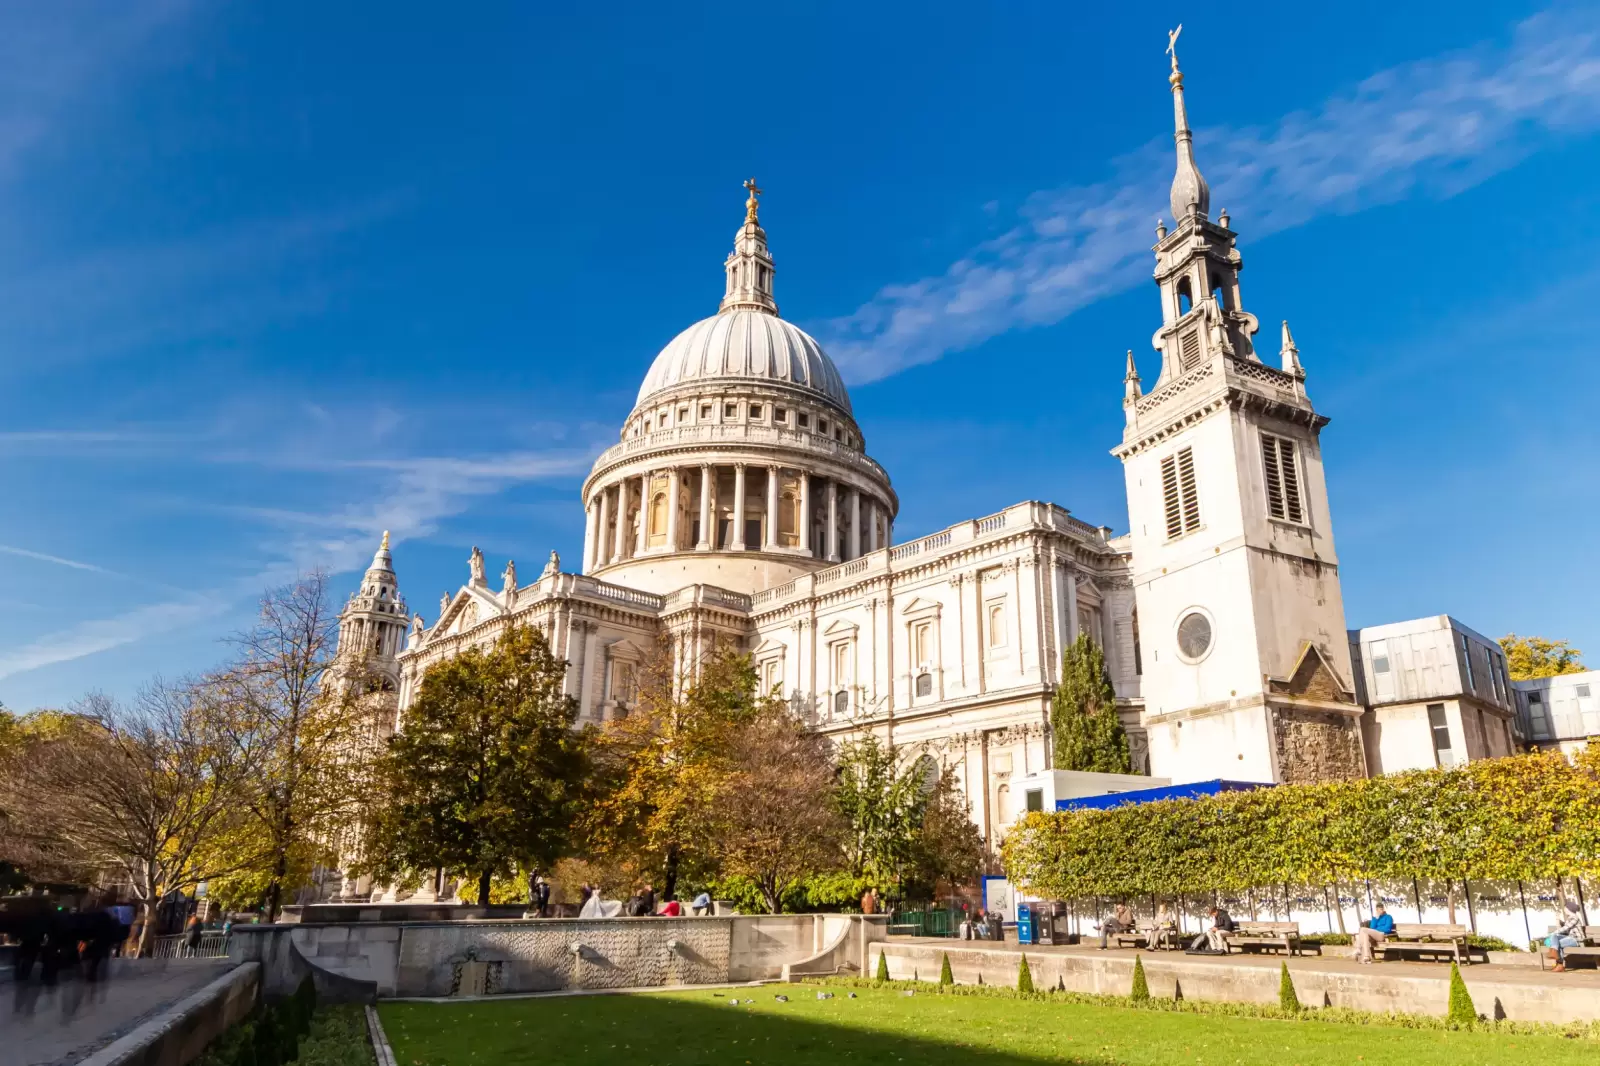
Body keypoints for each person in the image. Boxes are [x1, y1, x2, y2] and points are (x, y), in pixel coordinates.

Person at [1547, 900, 1585, 973]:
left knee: (1556, 942)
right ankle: (1557, 960)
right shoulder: (1569, 919)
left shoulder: (1575, 918)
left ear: (1569, 909)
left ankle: (1559, 965)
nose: (1564, 909)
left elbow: (1566, 928)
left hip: (1576, 939)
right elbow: (1560, 930)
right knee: (1554, 937)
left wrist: (1552, 933)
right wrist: (1557, 919)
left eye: (1565, 908)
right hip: (1569, 938)